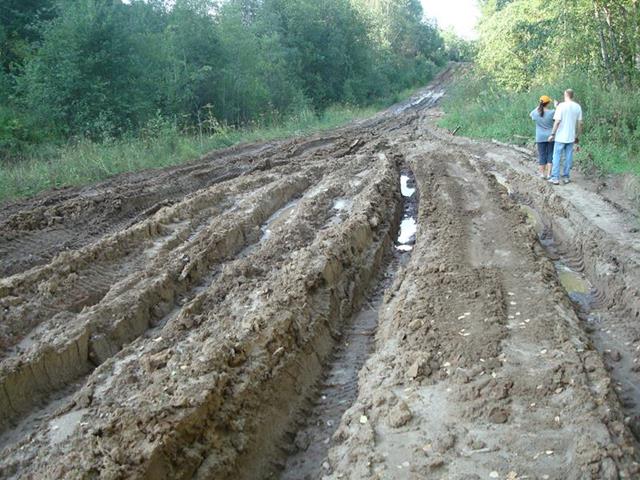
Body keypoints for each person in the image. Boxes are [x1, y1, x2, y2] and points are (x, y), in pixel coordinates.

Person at [547, 89, 583, 185]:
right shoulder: (577, 107)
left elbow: (557, 121)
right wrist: (577, 135)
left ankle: (555, 177)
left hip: (560, 136)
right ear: (572, 96)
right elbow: (580, 123)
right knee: (568, 157)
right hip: (571, 137)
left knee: (557, 156)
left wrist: (552, 134)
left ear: (566, 95)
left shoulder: (561, 106)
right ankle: (566, 177)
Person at [530, 95, 555, 179]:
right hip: (550, 136)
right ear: (548, 103)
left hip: (540, 137)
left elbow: (531, 114)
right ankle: (549, 174)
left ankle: (542, 174)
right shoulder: (552, 112)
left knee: (542, 155)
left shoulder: (535, 113)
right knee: (550, 154)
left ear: (540, 103)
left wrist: (539, 106)